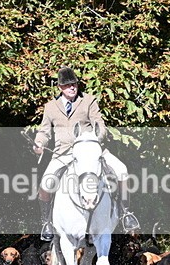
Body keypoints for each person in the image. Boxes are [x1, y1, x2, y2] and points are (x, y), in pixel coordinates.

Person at [32, 66, 139, 241]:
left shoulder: (88, 101)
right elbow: (44, 132)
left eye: (74, 84)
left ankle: (126, 213)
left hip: (89, 149)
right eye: (67, 86)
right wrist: (39, 143)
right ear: (60, 87)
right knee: (46, 183)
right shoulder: (50, 107)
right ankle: (46, 223)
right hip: (63, 153)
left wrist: (96, 138)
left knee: (122, 170)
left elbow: (99, 124)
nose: (72, 88)